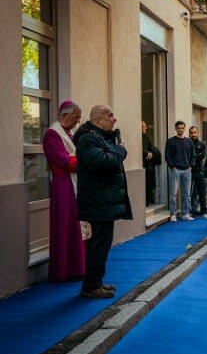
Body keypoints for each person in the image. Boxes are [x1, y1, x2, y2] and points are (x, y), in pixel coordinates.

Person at [74, 105, 131, 298]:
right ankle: (90, 287)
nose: (114, 119)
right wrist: (120, 151)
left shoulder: (98, 137)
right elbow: (101, 162)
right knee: (98, 245)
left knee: (102, 244)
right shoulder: (87, 139)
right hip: (97, 202)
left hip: (103, 202)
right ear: (98, 120)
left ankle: (96, 281)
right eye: (110, 115)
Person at [43, 100, 86, 282]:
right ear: (64, 115)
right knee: (66, 227)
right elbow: (63, 161)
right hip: (63, 185)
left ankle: (77, 268)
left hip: (72, 183)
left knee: (75, 227)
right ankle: (63, 270)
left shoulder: (68, 133)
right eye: (76, 117)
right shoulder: (53, 134)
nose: (77, 121)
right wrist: (86, 160)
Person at [165, 121, 195, 222]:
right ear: (176, 129)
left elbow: (192, 155)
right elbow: (167, 155)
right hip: (176, 170)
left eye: (182, 128)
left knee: (186, 194)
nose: (180, 130)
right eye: (179, 128)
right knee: (173, 194)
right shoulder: (170, 141)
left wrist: (190, 166)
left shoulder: (189, 141)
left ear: (184, 128)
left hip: (187, 170)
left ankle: (185, 213)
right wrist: (172, 166)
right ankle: (173, 214)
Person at [189, 126, 207, 218]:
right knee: (189, 193)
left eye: (195, 132)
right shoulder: (187, 144)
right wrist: (196, 156)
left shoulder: (203, 144)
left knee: (202, 193)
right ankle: (191, 211)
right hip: (188, 171)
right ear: (189, 134)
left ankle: (204, 212)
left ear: (198, 133)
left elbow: (202, 155)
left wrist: (193, 157)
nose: (193, 134)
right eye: (191, 132)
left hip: (199, 171)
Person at [142, 120, 161, 206]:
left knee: (148, 184)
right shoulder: (137, 137)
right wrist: (146, 153)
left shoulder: (145, 137)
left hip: (147, 165)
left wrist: (152, 153)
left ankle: (149, 200)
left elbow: (150, 147)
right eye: (144, 126)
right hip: (141, 165)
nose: (146, 128)